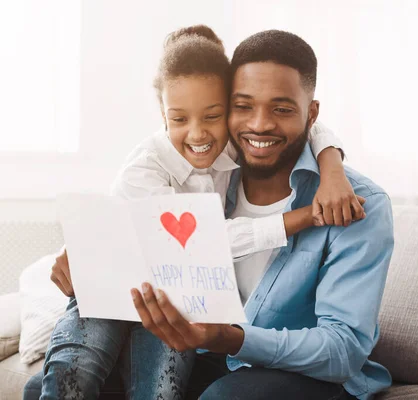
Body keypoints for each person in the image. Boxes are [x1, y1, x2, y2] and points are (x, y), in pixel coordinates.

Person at [24, 26, 363, 400]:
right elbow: (207, 242)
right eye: (180, 119)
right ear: (163, 113)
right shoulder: (146, 169)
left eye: (212, 116)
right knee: (68, 375)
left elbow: (300, 118)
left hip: (170, 300)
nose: (199, 133)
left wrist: (332, 165)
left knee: (161, 389)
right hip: (111, 293)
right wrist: (301, 217)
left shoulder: (233, 146)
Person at [131, 29, 395, 400]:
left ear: (311, 113)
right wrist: (80, 252)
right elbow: (139, 212)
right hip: (211, 359)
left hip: (312, 377)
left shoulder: (357, 203)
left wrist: (230, 338)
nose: (259, 124)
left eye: (282, 109)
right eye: (243, 106)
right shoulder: (211, 175)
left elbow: (343, 351)